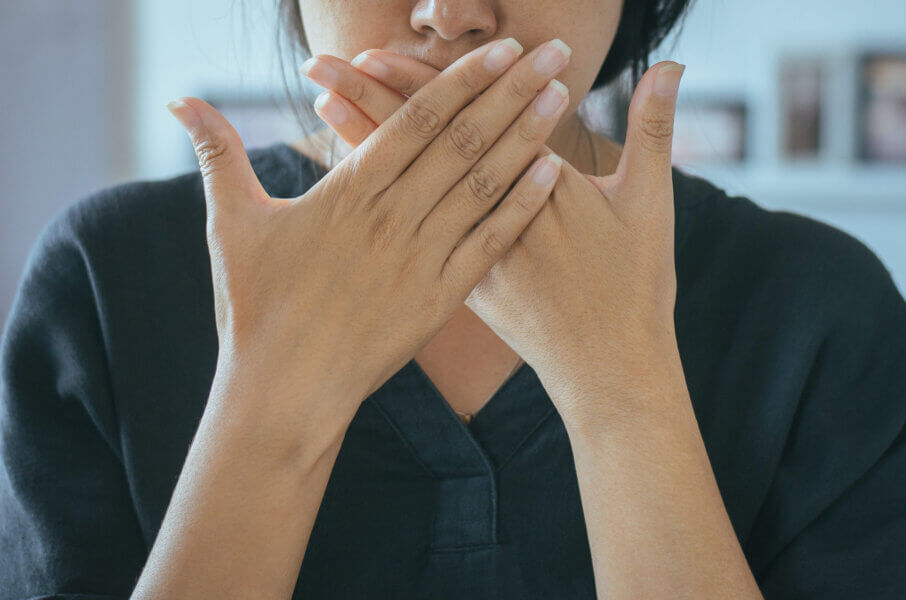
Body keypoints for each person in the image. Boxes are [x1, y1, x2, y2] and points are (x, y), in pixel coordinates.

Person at [1, 1, 904, 598]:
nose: (452, 11)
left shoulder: (820, 311)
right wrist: (272, 400)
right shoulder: (101, 283)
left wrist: (623, 396)